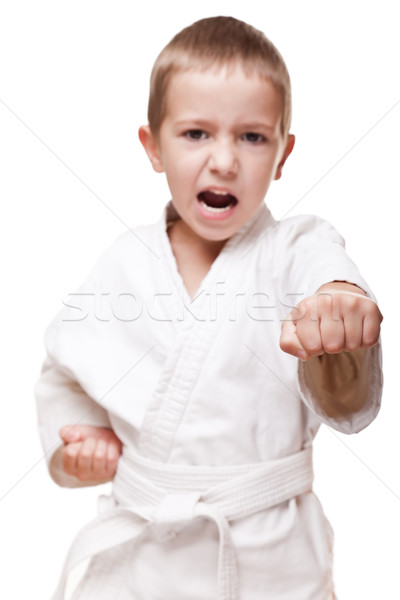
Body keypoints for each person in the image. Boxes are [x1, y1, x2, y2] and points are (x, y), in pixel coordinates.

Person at [36, 16, 383, 600]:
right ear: (152, 145)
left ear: (282, 153)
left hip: (269, 554)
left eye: (252, 137)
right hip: (145, 553)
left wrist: (339, 304)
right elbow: (66, 370)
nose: (224, 161)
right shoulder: (125, 262)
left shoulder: (295, 248)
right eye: (196, 133)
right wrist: (80, 444)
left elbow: (327, 272)